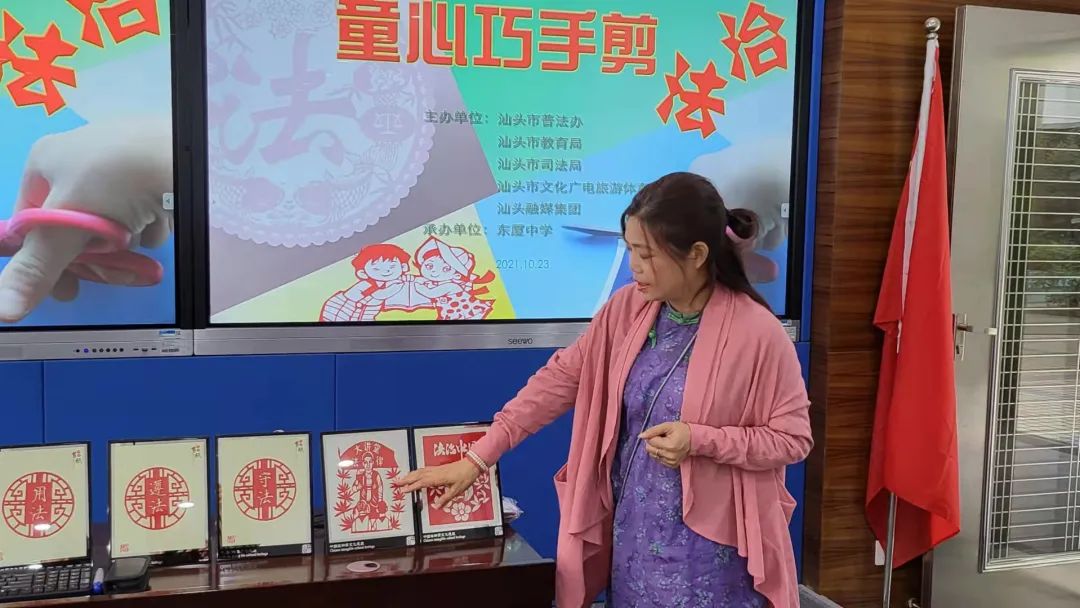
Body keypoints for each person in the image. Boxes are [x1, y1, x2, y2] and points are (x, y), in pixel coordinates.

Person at [398, 172, 813, 608]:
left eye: (647, 254)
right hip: (633, 539)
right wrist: (478, 458)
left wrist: (701, 440)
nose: (634, 266)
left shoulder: (759, 333)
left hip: (711, 557)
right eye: (629, 249)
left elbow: (793, 439)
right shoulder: (626, 309)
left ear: (696, 254)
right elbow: (558, 380)